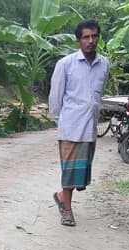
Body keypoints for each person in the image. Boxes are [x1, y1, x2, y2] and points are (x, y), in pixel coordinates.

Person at [48, 19, 110, 227]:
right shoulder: (65, 64)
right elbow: (55, 98)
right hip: (70, 126)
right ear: (78, 41)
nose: (90, 41)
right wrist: (62, 122)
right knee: (69, 170)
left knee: (79, 172)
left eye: (94, 36)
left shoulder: (104, 64)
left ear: (98, 38)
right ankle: (67, 210)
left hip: (90, 127)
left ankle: (60, 196)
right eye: (86, 37)